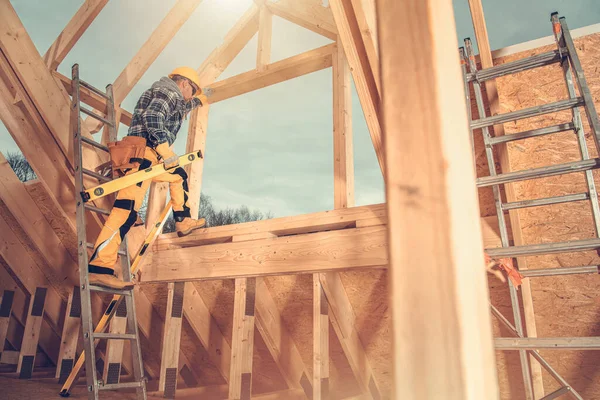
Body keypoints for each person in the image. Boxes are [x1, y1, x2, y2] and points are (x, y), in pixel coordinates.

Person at [88, 67, 206, 290]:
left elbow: (181, 106)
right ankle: (98, 268)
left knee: (178, 176)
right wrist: (164, 147)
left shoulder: (172, 96)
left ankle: (183, 220)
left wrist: (200, 99)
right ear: (183, 84)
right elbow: (153, 116)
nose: (190, 96)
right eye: (192, 91)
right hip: (142, 156)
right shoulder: (168, 91)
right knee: (125, 210)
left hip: (148, 157)